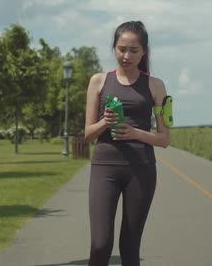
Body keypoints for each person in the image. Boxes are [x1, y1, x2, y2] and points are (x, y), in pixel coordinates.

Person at [84, 21, 171, 266]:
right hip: (105, 169)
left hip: (141, 171)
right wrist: (105, 122)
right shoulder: (98, 81)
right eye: (122, 49)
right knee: (100, 245)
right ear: (114, 48)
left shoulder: (156, 85)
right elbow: (88, 134)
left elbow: (164, 139)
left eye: (134, 50)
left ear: (144, 52)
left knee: (130, 248)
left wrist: (134, 132)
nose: (127, 55)